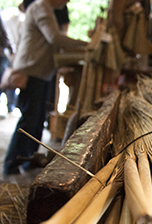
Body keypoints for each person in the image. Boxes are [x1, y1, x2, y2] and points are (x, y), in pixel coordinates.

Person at [3, 0, 86, 175]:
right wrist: (85, 45)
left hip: (40, 72)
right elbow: (54, 38)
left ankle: (28, 160)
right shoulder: (41, 7)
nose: (68, 1)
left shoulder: (45, 8)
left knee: (37, 119)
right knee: (29, 120)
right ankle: (11, 163)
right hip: (31, 71)